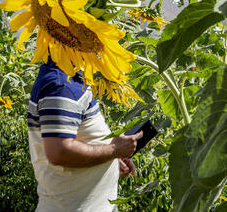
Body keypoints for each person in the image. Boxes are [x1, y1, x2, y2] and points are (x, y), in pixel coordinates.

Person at [27, 57, 143, 212]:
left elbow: (77, 139)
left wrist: (111, 159)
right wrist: (114, 149)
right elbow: (59, 152)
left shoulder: (72, 79)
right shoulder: (62, 86)